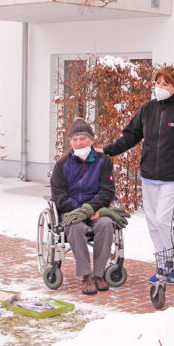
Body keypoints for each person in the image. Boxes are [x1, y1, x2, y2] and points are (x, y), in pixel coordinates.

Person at [101, 66, 174, 282]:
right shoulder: (148, 108)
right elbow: (130, 136)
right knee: (152, 223)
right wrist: (108, 150)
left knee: (163, 222)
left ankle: (173, 265)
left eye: (165, 84)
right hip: (149, 175)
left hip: (173, 177)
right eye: (157, 83)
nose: (159, 87)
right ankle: (162, 267)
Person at [51, 117, 129, 295]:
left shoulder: (103, 162)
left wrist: (92, 209)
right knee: (75, 226)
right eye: (75, 139)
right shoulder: (62, 165)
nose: (79, 143)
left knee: (106, 224)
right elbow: (59, 196)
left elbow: (107, 192)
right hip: (72, 212)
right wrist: (80, 212)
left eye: (83, 139)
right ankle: (86, 275)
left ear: (91, 140)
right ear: (70, 142)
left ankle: (99, 274)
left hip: (97, 209)